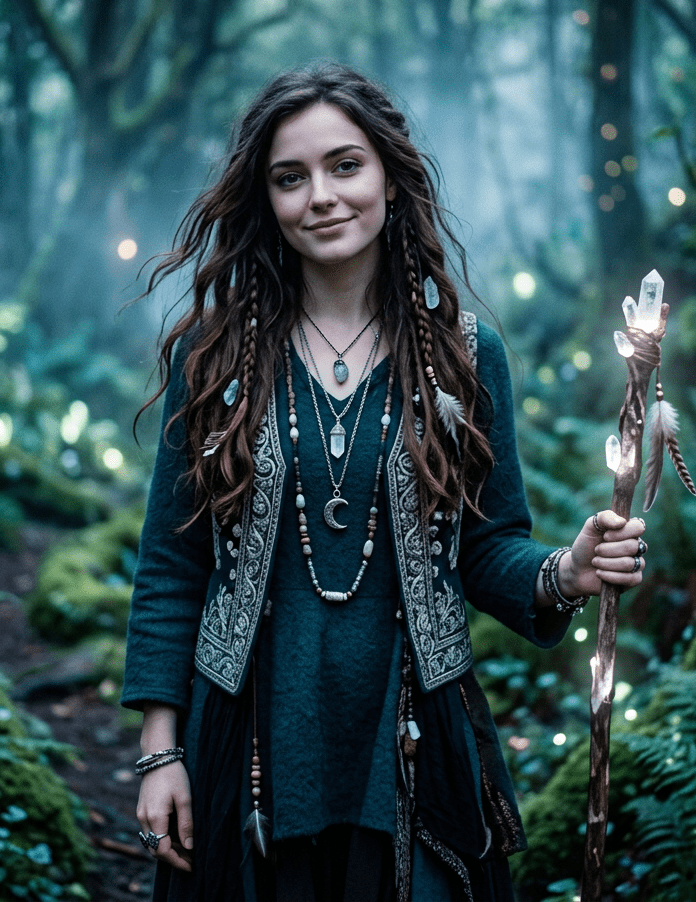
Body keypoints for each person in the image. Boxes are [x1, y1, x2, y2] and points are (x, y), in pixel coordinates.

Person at [121, 62, 648, 901]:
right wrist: (160, 752)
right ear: (267, 200)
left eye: (345, 165)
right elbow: (171, 565)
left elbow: (489, 546)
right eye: (290, 178)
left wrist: (566, 573)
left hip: (412, 730)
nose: (320, 196)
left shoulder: (466, 356)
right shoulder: (214, 357)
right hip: (246, 732)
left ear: (390, 181)